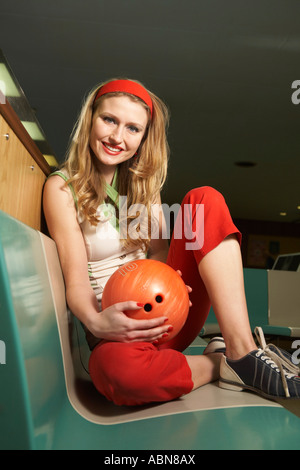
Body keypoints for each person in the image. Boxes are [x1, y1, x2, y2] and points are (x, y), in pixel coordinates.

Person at [43, 78, 300, 406]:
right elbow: (76, 280)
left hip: (167, 314)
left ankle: (242, 349)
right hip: (117, 333)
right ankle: (221, 363)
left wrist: (175, 283)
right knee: (117, 375)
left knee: (204, 200)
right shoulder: (63, 189)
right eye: (109, 120)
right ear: (90, 118)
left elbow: (161, 253)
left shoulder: (142, 188)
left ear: (143, 137)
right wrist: (96, 322)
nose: (117, 137)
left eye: (133, 128)